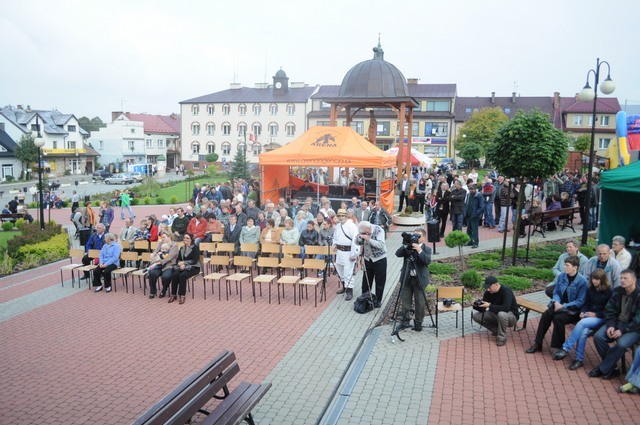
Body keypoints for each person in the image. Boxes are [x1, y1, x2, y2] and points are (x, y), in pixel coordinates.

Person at [526, 256, 588, 354]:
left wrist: (564, 305)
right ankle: (538, 343)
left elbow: (580, 301)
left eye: (567, 265)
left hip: (573, 310)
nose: (564, 267)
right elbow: (556, 292)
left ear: (575, 267)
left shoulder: (582, 281)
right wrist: (556, 302)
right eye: (564, 265)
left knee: (558, 318)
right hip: (558, 305)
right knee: (546, 315)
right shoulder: (562, 276)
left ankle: (557, 346)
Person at [553, 269, 612, 370]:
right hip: (588, 317)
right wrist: (583, 312)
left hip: (602, 318)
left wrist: (595, 314)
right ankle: (578, 359)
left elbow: (609, 311)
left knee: (582, 323)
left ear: (602, 279)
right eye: (593, 279)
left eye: (597, 279)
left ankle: (566, 347)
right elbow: (586, 304)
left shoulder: (609, 291)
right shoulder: (590, 289)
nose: (594, 281)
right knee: (583, 332)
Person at [589, 270, 640, 380]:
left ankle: (602, 368)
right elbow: (609, 310)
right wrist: (611, 325)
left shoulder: (639, 295)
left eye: (625, 278)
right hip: (616, 323)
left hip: (634, 329)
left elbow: (638, 320)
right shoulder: (618, 291)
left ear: (634, 280)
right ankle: (613, 368)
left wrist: (622, 331)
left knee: (621, 344)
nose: (622, 280)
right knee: (598, 337)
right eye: (621, 278)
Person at [395, 228, 431, 331]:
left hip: (419, 280)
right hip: (407, 278)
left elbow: (427, 261)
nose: (415, 238)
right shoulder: (408, 247)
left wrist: (419, 250)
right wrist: (405, 245)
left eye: (417, 236)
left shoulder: (426, 249)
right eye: (413, 235)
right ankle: (405, 322)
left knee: (420, 302)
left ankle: (418, 323)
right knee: (406, 302)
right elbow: (397, 254)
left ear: (423, 238)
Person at [473, 276, 519, 346]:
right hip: (496, 314)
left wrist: (489, 306)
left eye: (489, 287)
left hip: (511, 316)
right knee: (476, 316)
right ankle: (496, 330)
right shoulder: (488, 292)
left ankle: (501, 338)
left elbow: (506, 308)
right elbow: (483, 309)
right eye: (487, 288)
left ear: (496, 285)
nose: (488, 289)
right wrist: (477, 305)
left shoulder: (506, 291)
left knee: (501, 314)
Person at [332, 209, 360, 301]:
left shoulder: (352, 226)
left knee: (348, 273)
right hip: (339, 252)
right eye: (339, 216)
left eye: (342, 216)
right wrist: (334, 244)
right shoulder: (338, 226)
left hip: (348, 252)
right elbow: (335, 238)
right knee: (340, 271)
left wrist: (354, 254)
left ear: (346, 216)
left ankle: (349, 290)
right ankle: (344, 286)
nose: (341, 218)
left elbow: (355, 241)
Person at [357, 221, 386, 308]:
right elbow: (357, 243)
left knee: (380, 281)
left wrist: (368, 239)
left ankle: (378, 300)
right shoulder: (362, 230)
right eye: (363, 232)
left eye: (367, 232)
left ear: (369, 227)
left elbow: (381, 245)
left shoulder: (379, 230)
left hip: (379, 259)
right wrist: (359, 238)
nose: (366, 233)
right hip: (367, 259)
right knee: (366, 281)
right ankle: (364, 299)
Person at [168, 233, 200, 305]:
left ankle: (182, 295)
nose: (185, 239)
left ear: (191, 239)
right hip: (182, 267)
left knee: (182, 275)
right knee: (175, 275)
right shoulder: (182, 248)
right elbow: (178, 259)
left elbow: (194, 260)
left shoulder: (195, 248)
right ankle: (173, 294)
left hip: (193, 267)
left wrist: (184, 263)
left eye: (187, 238)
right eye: (184, 238)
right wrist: (180, 263)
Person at [147, 232, 179, 299]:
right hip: (159, 266)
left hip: (168, 265)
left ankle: (164, 290)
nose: (162, 238)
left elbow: (169, 258)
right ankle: (153, 291)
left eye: (164, 237)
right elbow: (155, 251)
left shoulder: (174, 245)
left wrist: (157, 263)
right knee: (152, 273)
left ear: (169, 237)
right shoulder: (161, 243)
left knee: (166, 277)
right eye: (162, 237)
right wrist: (155, 254)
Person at [465, 184, 484, 249]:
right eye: (470, 189)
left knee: (474, 230)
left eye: (472, 189)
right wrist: (465, 212)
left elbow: (481, 207)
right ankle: (470, 241)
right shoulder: (468, 195)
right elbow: (467, 203)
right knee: (468, 230)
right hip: (468, 215)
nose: (471, 190)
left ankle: (475, 243)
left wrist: (476, 213)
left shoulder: (479, 196)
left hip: (475, 216)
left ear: (475, 189)